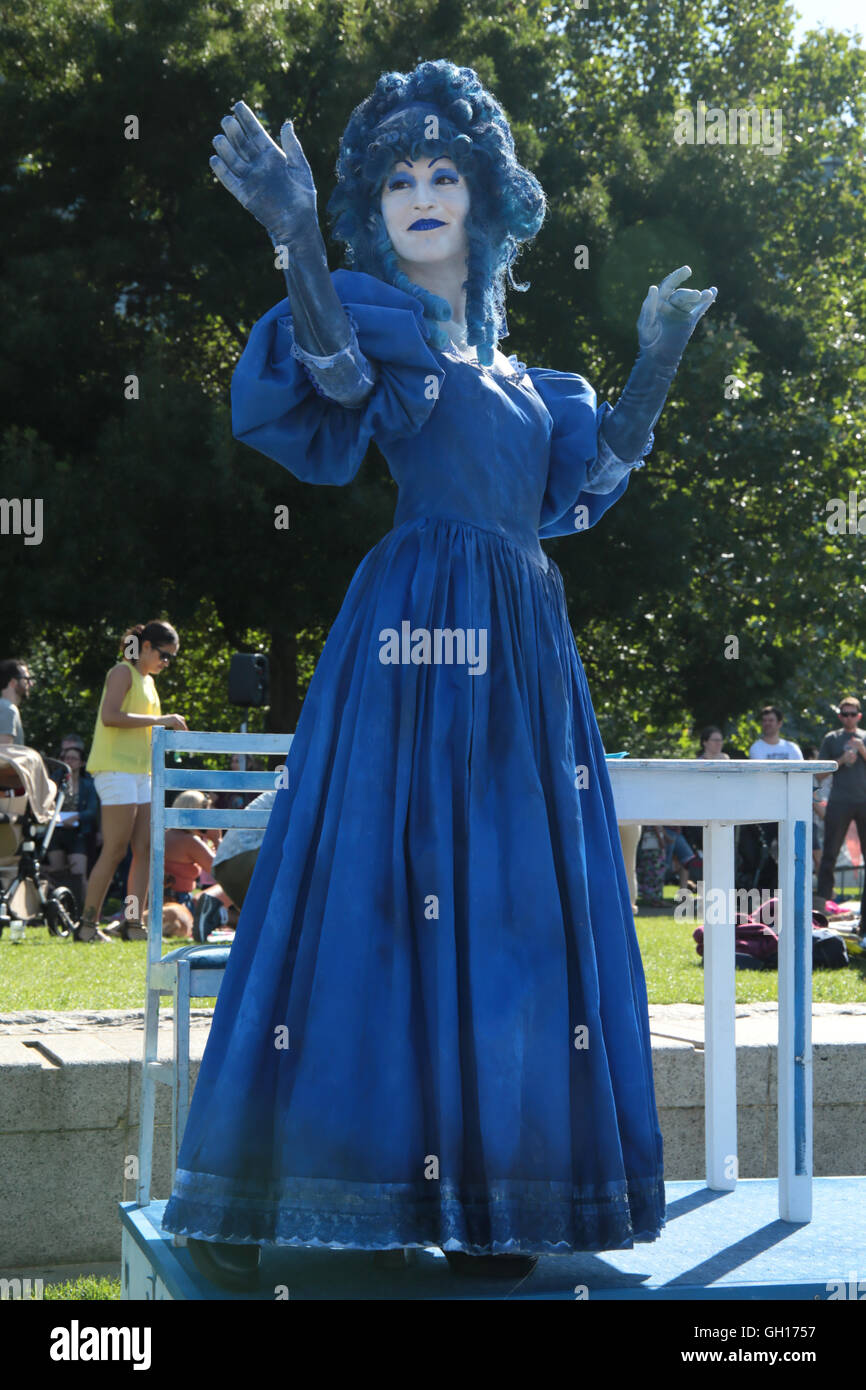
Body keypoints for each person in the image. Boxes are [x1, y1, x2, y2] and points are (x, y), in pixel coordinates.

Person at [162, 60, 716, 1287]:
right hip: (415, 634)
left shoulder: (535, 386)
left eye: (444, 173)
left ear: (485, 203)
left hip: (522, 656)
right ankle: (268, 1193)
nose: (420, 193)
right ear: (375, 206)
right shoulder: (386, 333)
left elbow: (597, 473)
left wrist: (658, 353)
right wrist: (296, 231)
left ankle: (494, 1198)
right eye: (399, 177)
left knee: (515, 911)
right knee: (368, 892)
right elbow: (336, 377)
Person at [75, 620, 188, 943]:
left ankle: (134, 924)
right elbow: (110, 716)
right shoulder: (122, 672)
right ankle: (86, 926)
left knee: (145, 849)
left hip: (141, 773)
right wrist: (162, 720)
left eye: (172, 658)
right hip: (114, 770)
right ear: (147, 647)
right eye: (164, 655)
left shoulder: (148, 681)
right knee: (114, 849)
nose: (167, 663)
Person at [740, 706, 803, 892]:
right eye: (764, 720)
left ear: (780, 723)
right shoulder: (756, 748)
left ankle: (788, 889)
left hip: (789, 806)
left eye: (771, 720)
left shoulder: (791, 748)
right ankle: (761, 890)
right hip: (764, 809)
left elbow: (800, 774)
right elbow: (764, 775)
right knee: (760, 854)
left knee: (790, 850)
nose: (767, 724)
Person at [814, 697, 866, 918]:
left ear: (859, 716)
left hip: (864, 801)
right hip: (839, 801)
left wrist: (861, 749)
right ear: (839, 716)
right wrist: (842, 760)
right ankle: (823, 904)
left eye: (852, 714)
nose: (849, 718)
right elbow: (820, 773)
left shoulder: (864, 737)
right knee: (830, 854)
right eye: (845, 714)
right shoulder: (831, 738)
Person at [44, 735, 100, 913]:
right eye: (66, 758)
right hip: (56, 831)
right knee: (57, 871)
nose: (69, 762)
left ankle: (85, 911)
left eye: (73, 759)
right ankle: (56, 909)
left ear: (81, 762)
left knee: (79, 873)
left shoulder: (89, 784)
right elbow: (46, 804)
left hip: (78, 833)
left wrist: (75, 817)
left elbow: (92, 811)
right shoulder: (54, 781)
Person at [0, 659, 33, 746]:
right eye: (26, 679)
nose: (31, 683)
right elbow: (4, 756)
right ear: (13, 682)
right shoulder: (8, 709)